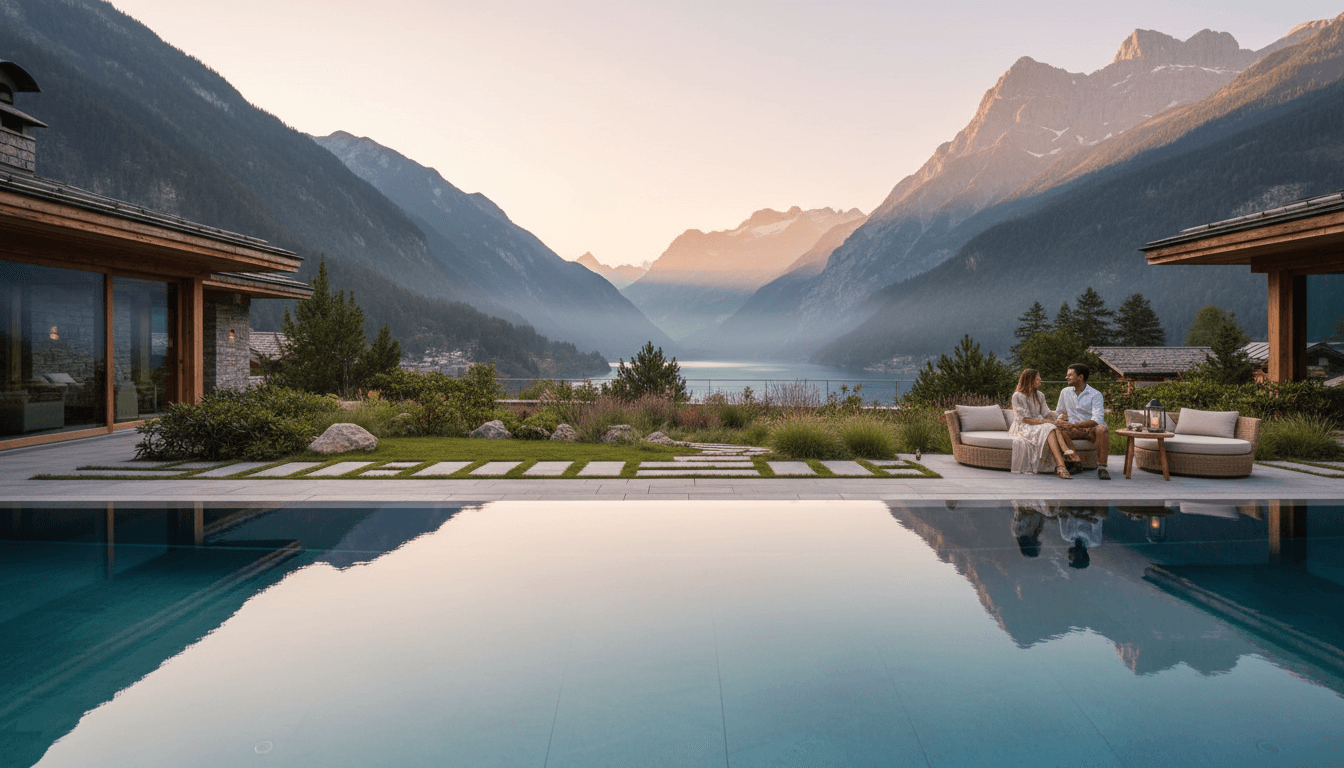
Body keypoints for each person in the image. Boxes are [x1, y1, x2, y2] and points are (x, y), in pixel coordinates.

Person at [1009, 368, 1080, 479]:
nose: (1040, 380)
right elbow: (1025, 419)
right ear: (1030, 379)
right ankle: (1063, 459)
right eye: (1038, 377)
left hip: (1040, 424)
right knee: (1050, 426)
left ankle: (1062, 466)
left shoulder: (1040, 395)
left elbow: (1047, 413)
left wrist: (1061, 415)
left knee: (1052, 426)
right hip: (1024, 426)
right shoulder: (1018, 396)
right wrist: (1046, 421)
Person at [1053, 363, 1111, 480]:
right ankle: (1075, 462)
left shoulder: (1095, 395)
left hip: (1091, 429)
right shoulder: (1065, 392)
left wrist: (1074, 425)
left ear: (1080, 377)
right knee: (1056, 430)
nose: (1066, 377)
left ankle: (1102, 467)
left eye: (1070, 375)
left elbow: (1097, 420)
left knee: (1102, 429)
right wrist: (1059, 419)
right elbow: (1060, 412)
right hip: (1074, 429)